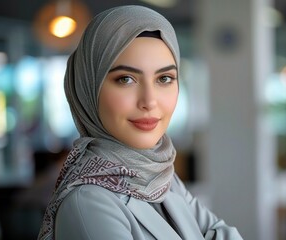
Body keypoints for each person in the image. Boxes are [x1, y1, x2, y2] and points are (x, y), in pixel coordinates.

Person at [37, 5, 243, 240]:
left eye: (164, 78)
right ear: (88, 88)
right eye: (126, 79)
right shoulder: (87, 202)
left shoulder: (160, 176)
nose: (149, 101)